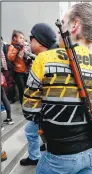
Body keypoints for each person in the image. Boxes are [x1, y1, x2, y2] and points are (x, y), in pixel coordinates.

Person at [22, 3, 92, 174]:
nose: (59, 29)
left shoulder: (45, 59)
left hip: (61, 152)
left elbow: (29, 109)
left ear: (75, 25)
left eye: (63, 22)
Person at [20, 23, 57, 166]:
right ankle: (38, 153)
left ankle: (35, 156)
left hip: (45, 109)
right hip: (50, 109)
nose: (29, 42)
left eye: (31, 39)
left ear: (40, 41)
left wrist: (33, 113)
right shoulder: (50, 57)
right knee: (33, 130)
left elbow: (33, 90)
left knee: (31, 130)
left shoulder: (44, 59)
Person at [7, 30, 28, 104]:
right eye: (21, 38)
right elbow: (10, 58)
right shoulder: (12, 47)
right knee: (22, 91)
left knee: (27, 90)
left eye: (23, 38)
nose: (23, 39)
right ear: (15, 38)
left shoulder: (21, 47)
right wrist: (16, 48)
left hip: (25, 71)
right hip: (18, 72)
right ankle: (23, 106)